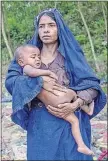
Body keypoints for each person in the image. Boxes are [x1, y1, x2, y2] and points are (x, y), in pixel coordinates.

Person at [5, 8, 106, 160]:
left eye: (51, 25)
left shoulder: (71, 56)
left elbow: (92, 84)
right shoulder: (27, 55)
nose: (46, 30)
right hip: (41, 125)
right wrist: (39, 82)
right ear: (37, 30)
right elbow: (11, 81)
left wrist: (76, 101)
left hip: (70, 123)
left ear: (59, 28)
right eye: (41, 26)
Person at [14, 44, 95, 155]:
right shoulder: (27, 68)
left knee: (74, 121)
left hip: (54, 105)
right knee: (72, 93)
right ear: (21, 62)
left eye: (38, 56)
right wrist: (47, 72)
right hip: (57, 101)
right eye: (33, 57)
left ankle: (81, 145)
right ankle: (86, 109)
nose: (37, 59)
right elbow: (33, 73)